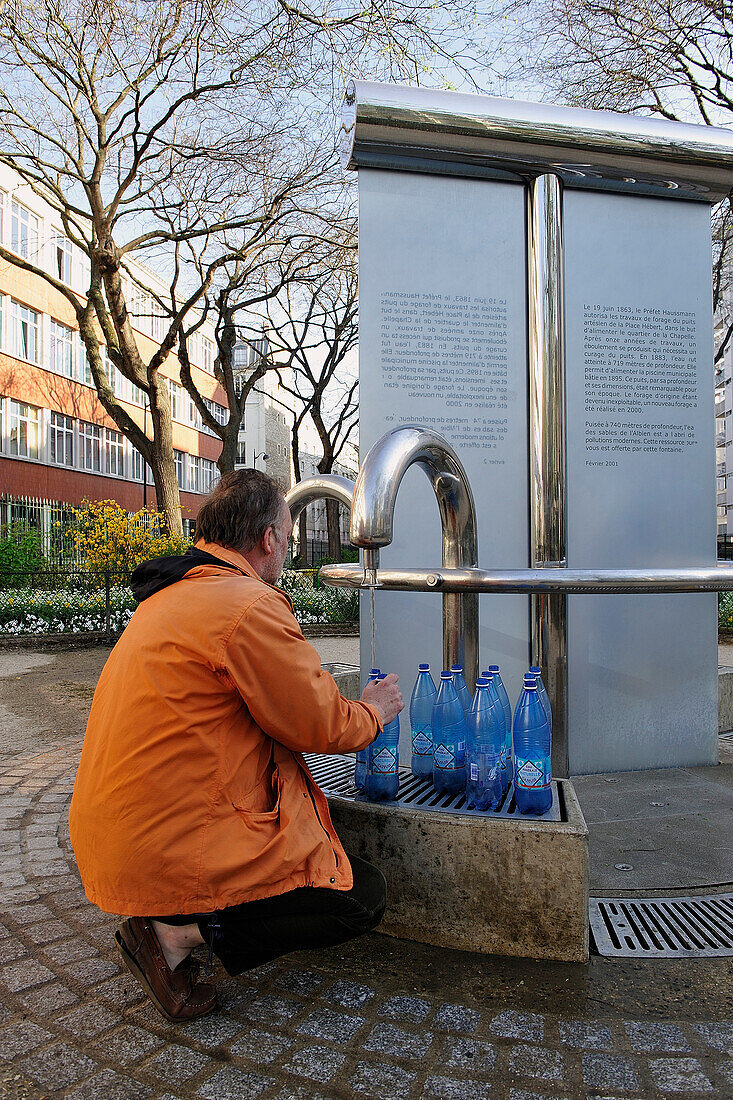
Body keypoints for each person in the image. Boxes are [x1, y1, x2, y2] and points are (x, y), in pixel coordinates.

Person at [69, 469, 402, 1022]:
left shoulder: (174, 592)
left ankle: (172, 920)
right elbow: (319, 724)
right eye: (289, 539)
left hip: (116, 831)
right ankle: (172, 936)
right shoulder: (246, 604)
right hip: (163, 843)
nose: (288, 552)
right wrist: (374, 711)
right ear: (269, 540)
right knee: (357, 897)